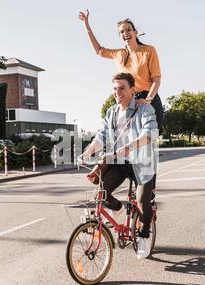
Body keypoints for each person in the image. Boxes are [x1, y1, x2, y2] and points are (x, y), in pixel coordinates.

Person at [79, 10, 162, 198]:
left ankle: (149, 189)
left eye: (128, 29)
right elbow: (99, 50)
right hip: (127, 97)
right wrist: (86, 25)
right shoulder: (119, 54)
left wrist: (147, 99)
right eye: (122, 32)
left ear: (135, 31)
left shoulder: (149, 51)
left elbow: (156, 79)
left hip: (148, 98)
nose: (125, 33)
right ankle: (110, 174)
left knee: (146, 143)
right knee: (117, 138)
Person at [81, 73, 158, 260]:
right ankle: (118, 208)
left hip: (142, 162)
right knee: (101, 194)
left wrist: (127, 148)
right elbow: (102, 137)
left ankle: (144, 236)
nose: (118, 92)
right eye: (115, 89)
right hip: (120, 162)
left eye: (122, 88)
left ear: (133, 89)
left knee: (142, 202)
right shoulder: (111, 112)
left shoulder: (144, 109)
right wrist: (88, 151)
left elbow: (150, 133)